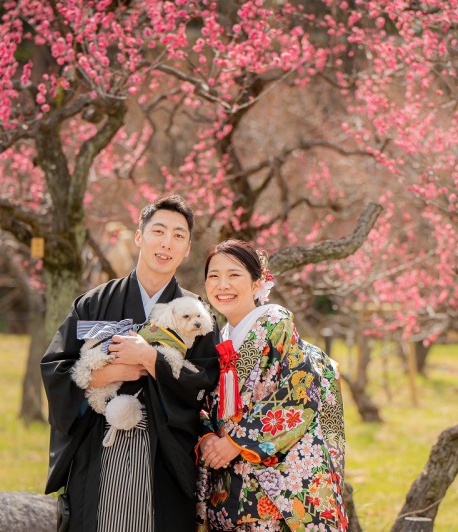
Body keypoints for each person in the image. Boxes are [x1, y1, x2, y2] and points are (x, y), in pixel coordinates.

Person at [41, 195, 220, 532]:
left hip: (164, 454)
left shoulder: (196, 312)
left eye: (179, 236)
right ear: (139, 237)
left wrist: (152, 361)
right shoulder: (94, 303)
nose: (167, 243)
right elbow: (56, 368)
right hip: (100, 444)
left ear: (187, 248)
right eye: (159, 231)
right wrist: (109, 374)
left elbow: (207, 381)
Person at [196, 239, 347, 531]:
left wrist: (235, 441)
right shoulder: (215, 336)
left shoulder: (276, 322)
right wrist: (208, 439)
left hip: (273, 486)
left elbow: (298, 394)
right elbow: (202, 401)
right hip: (227, 484)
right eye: (214, 276)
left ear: (256, 283)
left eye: (234, 275)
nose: (222, 284)